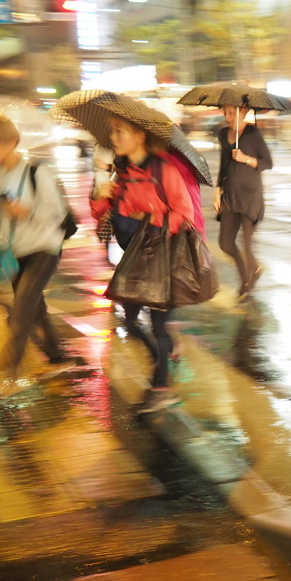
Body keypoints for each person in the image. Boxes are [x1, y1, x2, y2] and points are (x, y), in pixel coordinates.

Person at [90, 115, 195, 414]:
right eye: (111, 131)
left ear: (138, 136)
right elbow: (104, 217)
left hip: (163, 258)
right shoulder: (123, 174)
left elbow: (183, 213)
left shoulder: (164, 169)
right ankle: (161, 361)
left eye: (119, 131)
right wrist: (100, 197)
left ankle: (161, 388)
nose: (113, 137)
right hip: (134, 258)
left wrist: (147, 219)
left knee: (159, 328)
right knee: (132, 323)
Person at [0, 115, 78, 396]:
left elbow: (57, 212)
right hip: (15, 250)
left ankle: (8, 373)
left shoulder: (36, 171)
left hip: (44, 247)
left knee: (20, 311)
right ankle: (58, 358)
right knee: (35, 309)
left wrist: (28, 212)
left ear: (12, 142)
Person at [214, 104, 272, 302]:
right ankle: (251, 271)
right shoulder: (223, 134)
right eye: (225, 113)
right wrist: (217, 191)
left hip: (250, 197)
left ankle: (247, 282)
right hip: (230, 196)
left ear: (243, 112)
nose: (228, 117)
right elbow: (224, 165)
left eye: (232, 112)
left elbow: (267, 162)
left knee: (247, 244)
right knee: (225, 243)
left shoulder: (253, 133)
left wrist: (245, 158)